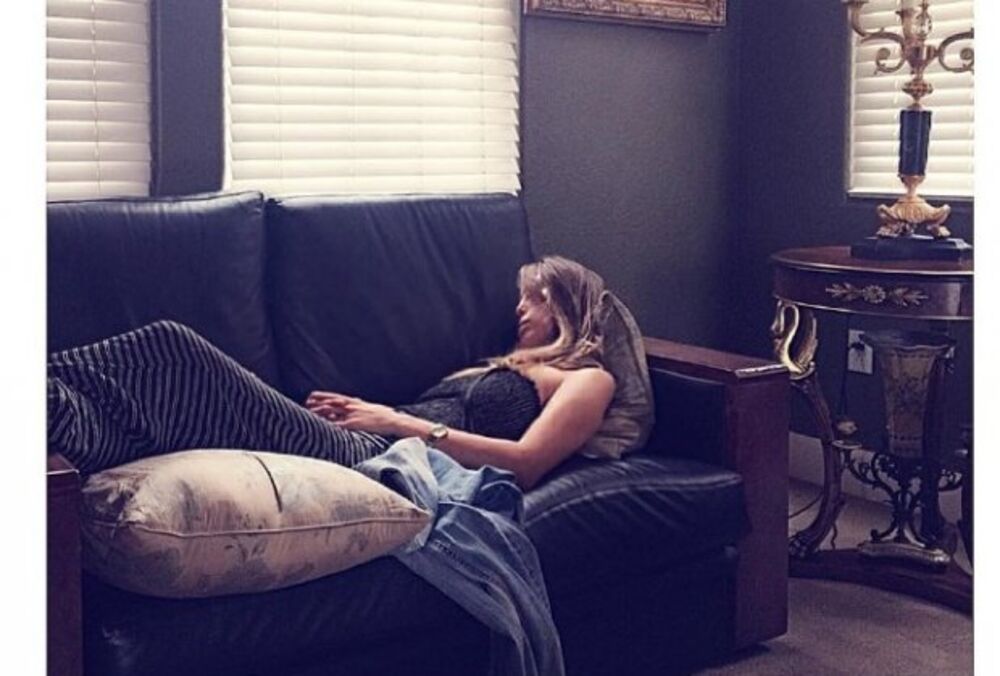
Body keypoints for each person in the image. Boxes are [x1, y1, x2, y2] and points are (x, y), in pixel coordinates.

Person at [47, 256, 616, 490]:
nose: (519, 309)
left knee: (174, 350)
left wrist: (396, 422)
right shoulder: (500, 363)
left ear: (565, 305)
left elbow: (526, 465)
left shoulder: (587, 380)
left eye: (534, 298)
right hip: (363, 438)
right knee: (157, 404)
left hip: (386, 461)